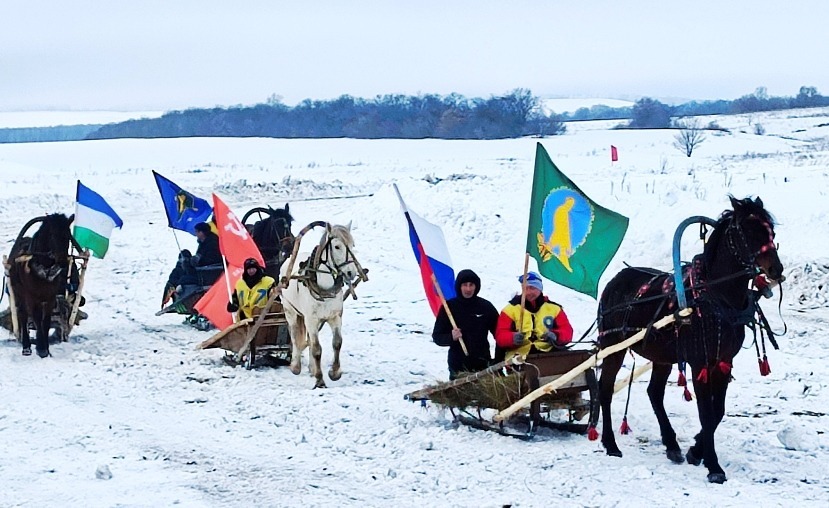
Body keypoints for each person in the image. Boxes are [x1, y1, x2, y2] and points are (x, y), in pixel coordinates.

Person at [432, 269, 499, 380]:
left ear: (476, 286)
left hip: (482, 365)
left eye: (471, 285)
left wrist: (497, 360)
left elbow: (499, 333)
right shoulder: (449, 307)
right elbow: (437, 337)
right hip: (458, 367)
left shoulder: (486, 307)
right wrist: (451, 337)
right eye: (464, 285)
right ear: (459, 286)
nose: (468, 289)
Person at [495, 271, 573, 360]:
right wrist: (512, 338)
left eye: (532, 288)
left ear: (540, 288)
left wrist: (555, 335)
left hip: (549, 353)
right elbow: (500, 335)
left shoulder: (554, 309)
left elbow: (567, 331)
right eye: (525, 288)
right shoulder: (510, 310)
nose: (528, 292)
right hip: (518, 357)